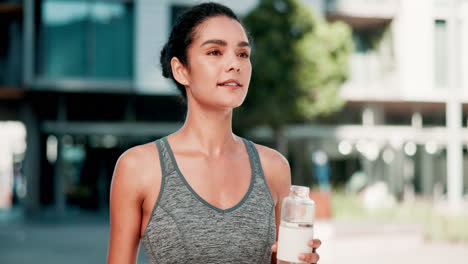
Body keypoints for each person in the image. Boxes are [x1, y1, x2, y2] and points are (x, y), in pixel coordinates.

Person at [107, 2, 321, 264]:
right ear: (181, 70)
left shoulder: (273, 168)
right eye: (215, 52)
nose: (234, 64)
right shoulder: (139, 167)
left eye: (243, 54)